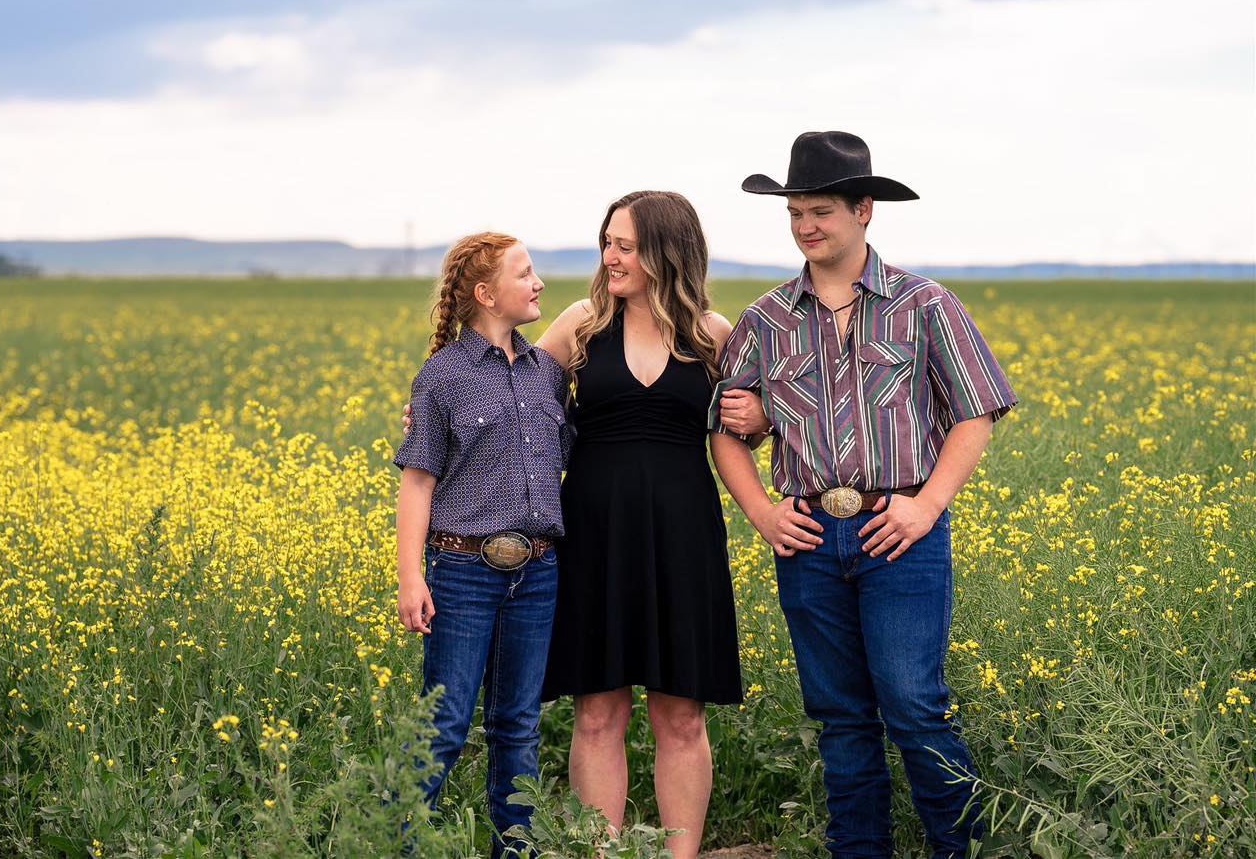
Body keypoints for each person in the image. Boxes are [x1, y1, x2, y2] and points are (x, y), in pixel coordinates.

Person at [402, 193, 751, 859]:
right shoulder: (582, 325)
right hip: (594, 532)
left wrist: (759, 424)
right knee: (599, 711)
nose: (611, 257)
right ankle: (605, 853)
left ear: (666, 252)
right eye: (607, 242)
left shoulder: (713, 334)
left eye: (626, 245)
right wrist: (431, 421)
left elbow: (743, 427)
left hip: (685, 536)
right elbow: (508, 394)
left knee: (681, 715)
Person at [710, 130, 1018, 859]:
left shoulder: (925, 304)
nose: (807, 226)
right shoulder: (766, 319)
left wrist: (925, 506)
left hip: (899, 533)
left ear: (865, 210)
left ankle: (960, 848)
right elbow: (725, 426)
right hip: (811, 538)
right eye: (795, 213)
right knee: (841, 717)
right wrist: (760, 511)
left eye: (821, 210)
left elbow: (976, 413)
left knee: (914, 707)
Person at [393, 231, 571, 859]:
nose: (539, 283)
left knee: (519, 728)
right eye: (525, 274)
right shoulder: (442, 377)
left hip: (537, 573)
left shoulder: (548, 374)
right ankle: (402, 848)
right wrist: (411, 578)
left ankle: (514, 852)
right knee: (441, 728)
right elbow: (418, 481)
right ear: (486, 294)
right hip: (463, 570)